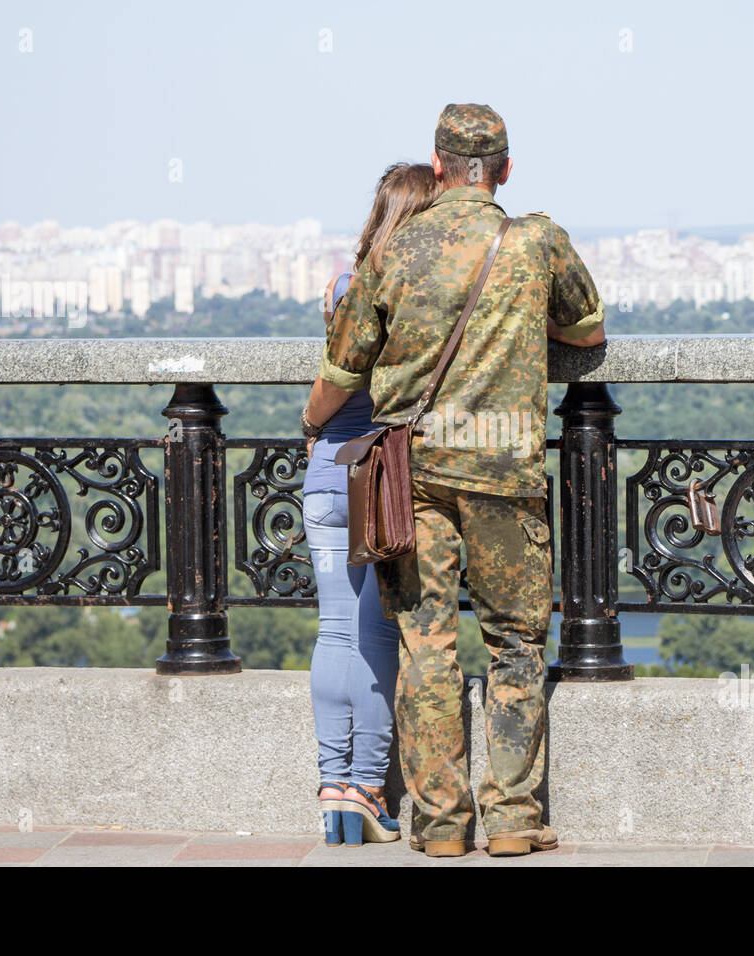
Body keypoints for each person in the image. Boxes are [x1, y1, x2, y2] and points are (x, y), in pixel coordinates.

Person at [315, 104, 607, 857]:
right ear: (506, 169)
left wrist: (313, 424)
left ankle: (440, 825)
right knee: (515, 643)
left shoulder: (394, 248)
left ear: (437, 166)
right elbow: (587, 335)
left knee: (426, 644)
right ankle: (511, 818)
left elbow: (344, 368)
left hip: (414, 473)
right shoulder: (536, 241)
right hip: (506, 472)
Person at [299, 162, 442, 847]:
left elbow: (336, 382)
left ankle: (332, 785)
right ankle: (367, 786)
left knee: (333, 632)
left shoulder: (344, 284)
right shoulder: (420, 292)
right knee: (378, 633)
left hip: (327, 473)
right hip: (384, 483)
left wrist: (310, 426)